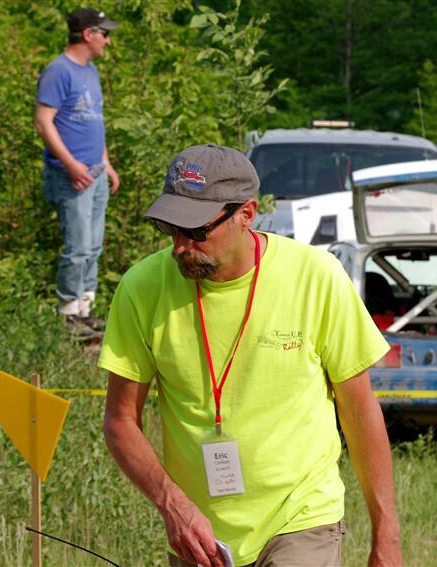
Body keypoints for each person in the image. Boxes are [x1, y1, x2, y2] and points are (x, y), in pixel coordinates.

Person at [99, 144, 402, 567]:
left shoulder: (315, 277)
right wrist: (173, 506)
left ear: (246, 213)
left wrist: (386, 537)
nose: (181, 246)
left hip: (301, 517)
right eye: (171, 229)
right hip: (199, 536)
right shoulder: (142, 288)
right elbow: (119, 421)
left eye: (197, 231)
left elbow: (359, 410)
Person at [35, 7, 121, 337]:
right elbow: (44, 122)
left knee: (94, 245)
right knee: (78, 246)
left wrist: (106, 162)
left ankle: (85, 308)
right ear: (88, 34)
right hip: (72, 176)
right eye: (104, 33)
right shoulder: (59, 71)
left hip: (95, 173)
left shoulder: (91, 72)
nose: (108, 40)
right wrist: (72, 165)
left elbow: (92, 123)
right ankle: (68, 312)